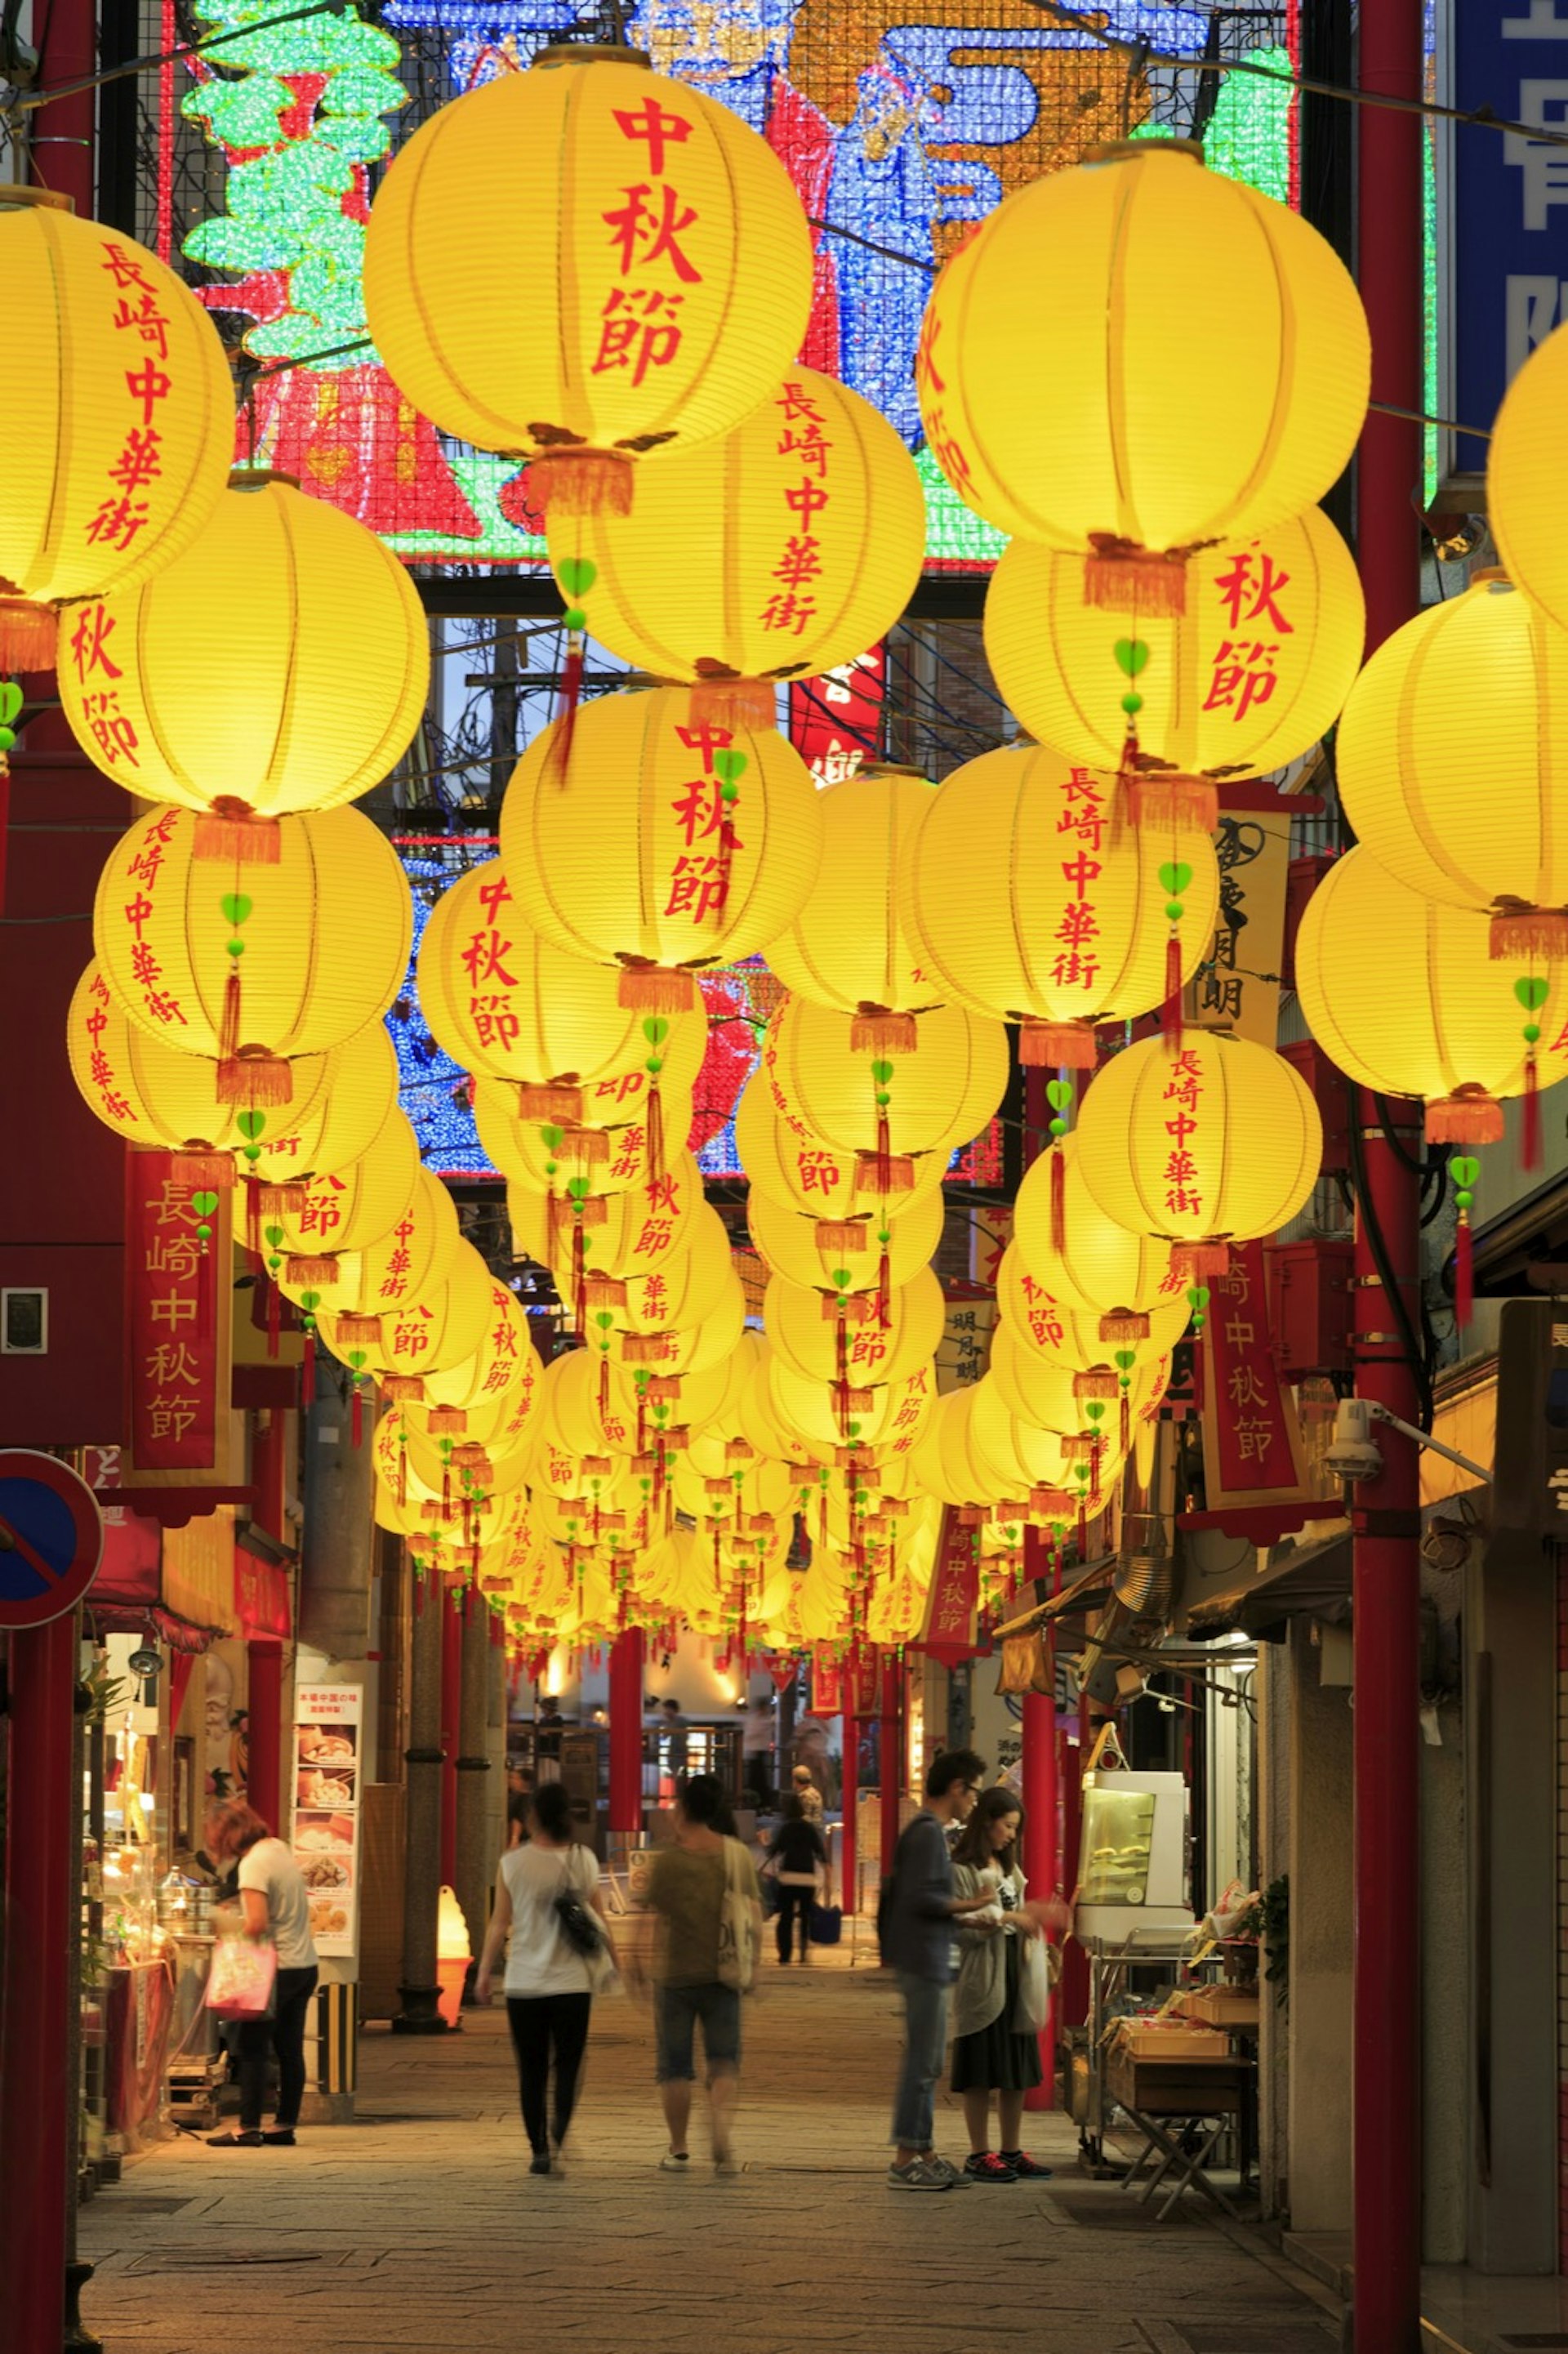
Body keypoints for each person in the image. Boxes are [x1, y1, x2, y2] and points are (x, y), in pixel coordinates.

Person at [475, 1780, 618, 2175]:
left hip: (524, 1983)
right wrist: (616, 1960)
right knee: (569, 2064)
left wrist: (485, 1972)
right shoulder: (583, 1859)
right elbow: (599, 1919)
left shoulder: (512, 1863)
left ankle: (539, 2148)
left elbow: (499, 1922)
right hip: (573, 1984)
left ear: (533, 1816)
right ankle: (560, 2129)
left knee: (532, 2069)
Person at [880, 1748, 995, 2191]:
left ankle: (923, 2149)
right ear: (957, 1788)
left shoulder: (925, 1831)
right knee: (923, 2063)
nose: (974, 1802)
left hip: (925, 1956)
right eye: (974, 1792)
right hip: (924, 1960)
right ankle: (906, 2156)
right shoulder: (928, 1833)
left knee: (926, 2061)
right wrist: (974, 1904)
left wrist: (964, 1918)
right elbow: (921, 1899)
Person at [638, 1772, 763, 2175]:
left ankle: (678, 2148)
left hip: (675, 1975)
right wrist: (755, 1964)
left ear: (682, 1808)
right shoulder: (736, 1854)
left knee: (674, 2066)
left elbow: (650, 1919)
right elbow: (753, 1915)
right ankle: (721, 2128)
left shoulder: (667, 1857)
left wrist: (637, 1963)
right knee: (724, 2060)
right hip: (724, 1972)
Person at [950, 1788, 1058, 2182]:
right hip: (985, 1975)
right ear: (988, 1821)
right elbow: (965, 1928)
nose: (1012, 1835)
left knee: (1015, 2066)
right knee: (980, 2067)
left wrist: (1031, 1914)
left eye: (1016, 1828)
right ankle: (979, 2152)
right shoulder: (962, 1868)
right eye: (1007, 1826)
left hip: (1017, 1972)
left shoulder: (1009, 1868)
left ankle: (1011, 2149)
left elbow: (1014, 1911)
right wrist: (1011, 1919)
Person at [203, 1799, 318, 2149]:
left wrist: (222, 1922)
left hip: (273, 1971)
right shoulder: (277, 1848)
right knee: (289, 2050)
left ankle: (248, 2128)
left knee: (252, 2049)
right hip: (304, 1966)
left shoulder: (252, 1864)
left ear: (227, 1835)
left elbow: (256, 1924)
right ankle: (284, 2125)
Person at [764, 1794, 827, 1966]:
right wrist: (827, 1869)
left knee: (786, 1918)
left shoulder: (786, 1828)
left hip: (788, 1878)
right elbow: (820, 1851)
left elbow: (774, 1851)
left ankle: (785, 1955)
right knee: (805, 1917)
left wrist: (765, 1842)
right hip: (807, 1878)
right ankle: (804, 1953)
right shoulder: (809, 1828)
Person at [505, 1763, 535, 1851]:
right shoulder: (514, 1796)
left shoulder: (523, 1798)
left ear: (524, 1782)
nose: (510, 1780)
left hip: (520, 1840)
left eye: (514, 1778)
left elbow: (518, 1819)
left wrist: (514, 1839)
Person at [791, 1761, 825, 1828]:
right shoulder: (815, 1792)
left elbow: (806, 1819)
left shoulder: (805, 1796)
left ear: (796, 1780)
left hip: (810, 1832)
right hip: (817, 1830)